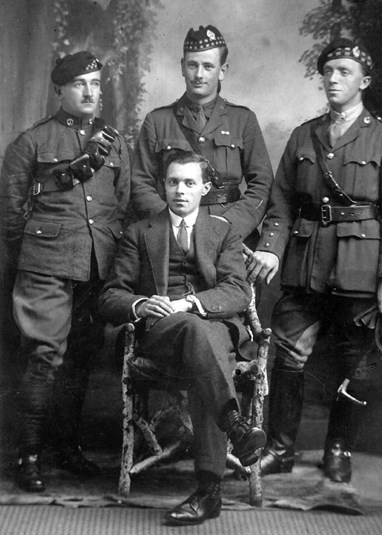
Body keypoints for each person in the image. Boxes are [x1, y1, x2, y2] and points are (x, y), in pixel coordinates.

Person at [246, 38, 382, 483]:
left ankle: (338, 448)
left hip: (362, 270)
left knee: (360, 363)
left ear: (365, 82)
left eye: (344, 72)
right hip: (306, 264)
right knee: (287, 352)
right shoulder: (303, 135)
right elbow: (280, 203)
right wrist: (272, 249)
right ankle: (279, 449)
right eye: (328, 71)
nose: (333, 79)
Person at [99, 151, 266, 525]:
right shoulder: (140, 232)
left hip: (215, 329)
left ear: (205, 188)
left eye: (190, 183)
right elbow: (111, 295)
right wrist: (141, 305)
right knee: (196, 334)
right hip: (162, 334)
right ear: (163, 185)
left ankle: (209, 492)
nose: (180, 190)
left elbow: (237, 291)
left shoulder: (224, 230)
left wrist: (191, 303)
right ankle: (232, 436)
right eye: (173, 181)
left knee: (202, 337)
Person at [0, 51, 131, 492]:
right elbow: (12, 217)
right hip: (47, 265)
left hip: (98, 265)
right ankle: (29, 454)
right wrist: (42, 250)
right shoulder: (31, 143)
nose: (91, 92)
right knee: (44, 356)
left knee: (80, 358)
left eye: (96, 83)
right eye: (80, 84)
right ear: (60, 89)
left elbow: (123, 203)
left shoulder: (115, 143)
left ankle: (66, 447)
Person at [129, 24, 273, 250]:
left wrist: (228, 224)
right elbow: (140, 184)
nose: (199, 75)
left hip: (231, 234)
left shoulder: (243, 119)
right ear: (182, 67)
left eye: (208, 66)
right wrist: (173, 224)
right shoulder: (157, 121)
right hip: (172, 235)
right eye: (192, 65)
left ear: (222, 70)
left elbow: (262, 184)